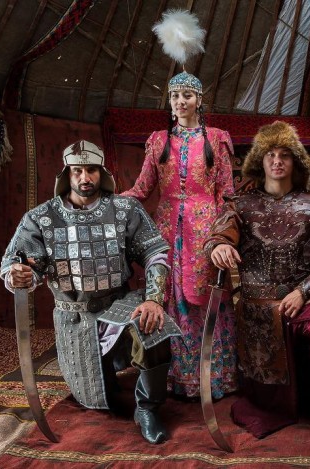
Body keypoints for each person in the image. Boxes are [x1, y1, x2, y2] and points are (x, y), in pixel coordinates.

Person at [205, 121, 310, 444]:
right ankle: (275, 404)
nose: (277, 160)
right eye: (270, 154)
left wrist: (302, 292)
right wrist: (220, 246)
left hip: (301, 299)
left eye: (284, 154)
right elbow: (217, 236)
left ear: (295, 162)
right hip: (257, 308)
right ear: (260, 161)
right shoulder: (240, 204)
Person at [0, 140, 180, 444]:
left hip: (119, 304)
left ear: (102, 173)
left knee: (154, 327)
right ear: (66, 174)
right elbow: (23, 265)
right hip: (75, 317)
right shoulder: (41, 218)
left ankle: (148, 409)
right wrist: (19, 274)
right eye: (78, 171)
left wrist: (153, 299)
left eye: (92, 170)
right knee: (98, 398)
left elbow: (156, 254)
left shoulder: (125, 209)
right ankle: (107, 378)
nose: (85, 177)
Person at [121, 11, 236, 399]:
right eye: (175, 96)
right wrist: (110, 201)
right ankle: (172, 378)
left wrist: (223, 235)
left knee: (204, 299)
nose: (181, 101)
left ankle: (212, 378)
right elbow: (142, 188)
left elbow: (227, 192)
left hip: (206, 230)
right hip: (167, 229)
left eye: (187, 95)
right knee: (170, 299)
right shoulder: (158, 140)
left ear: (199, 100)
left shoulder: (217, 138)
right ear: (169, 102)